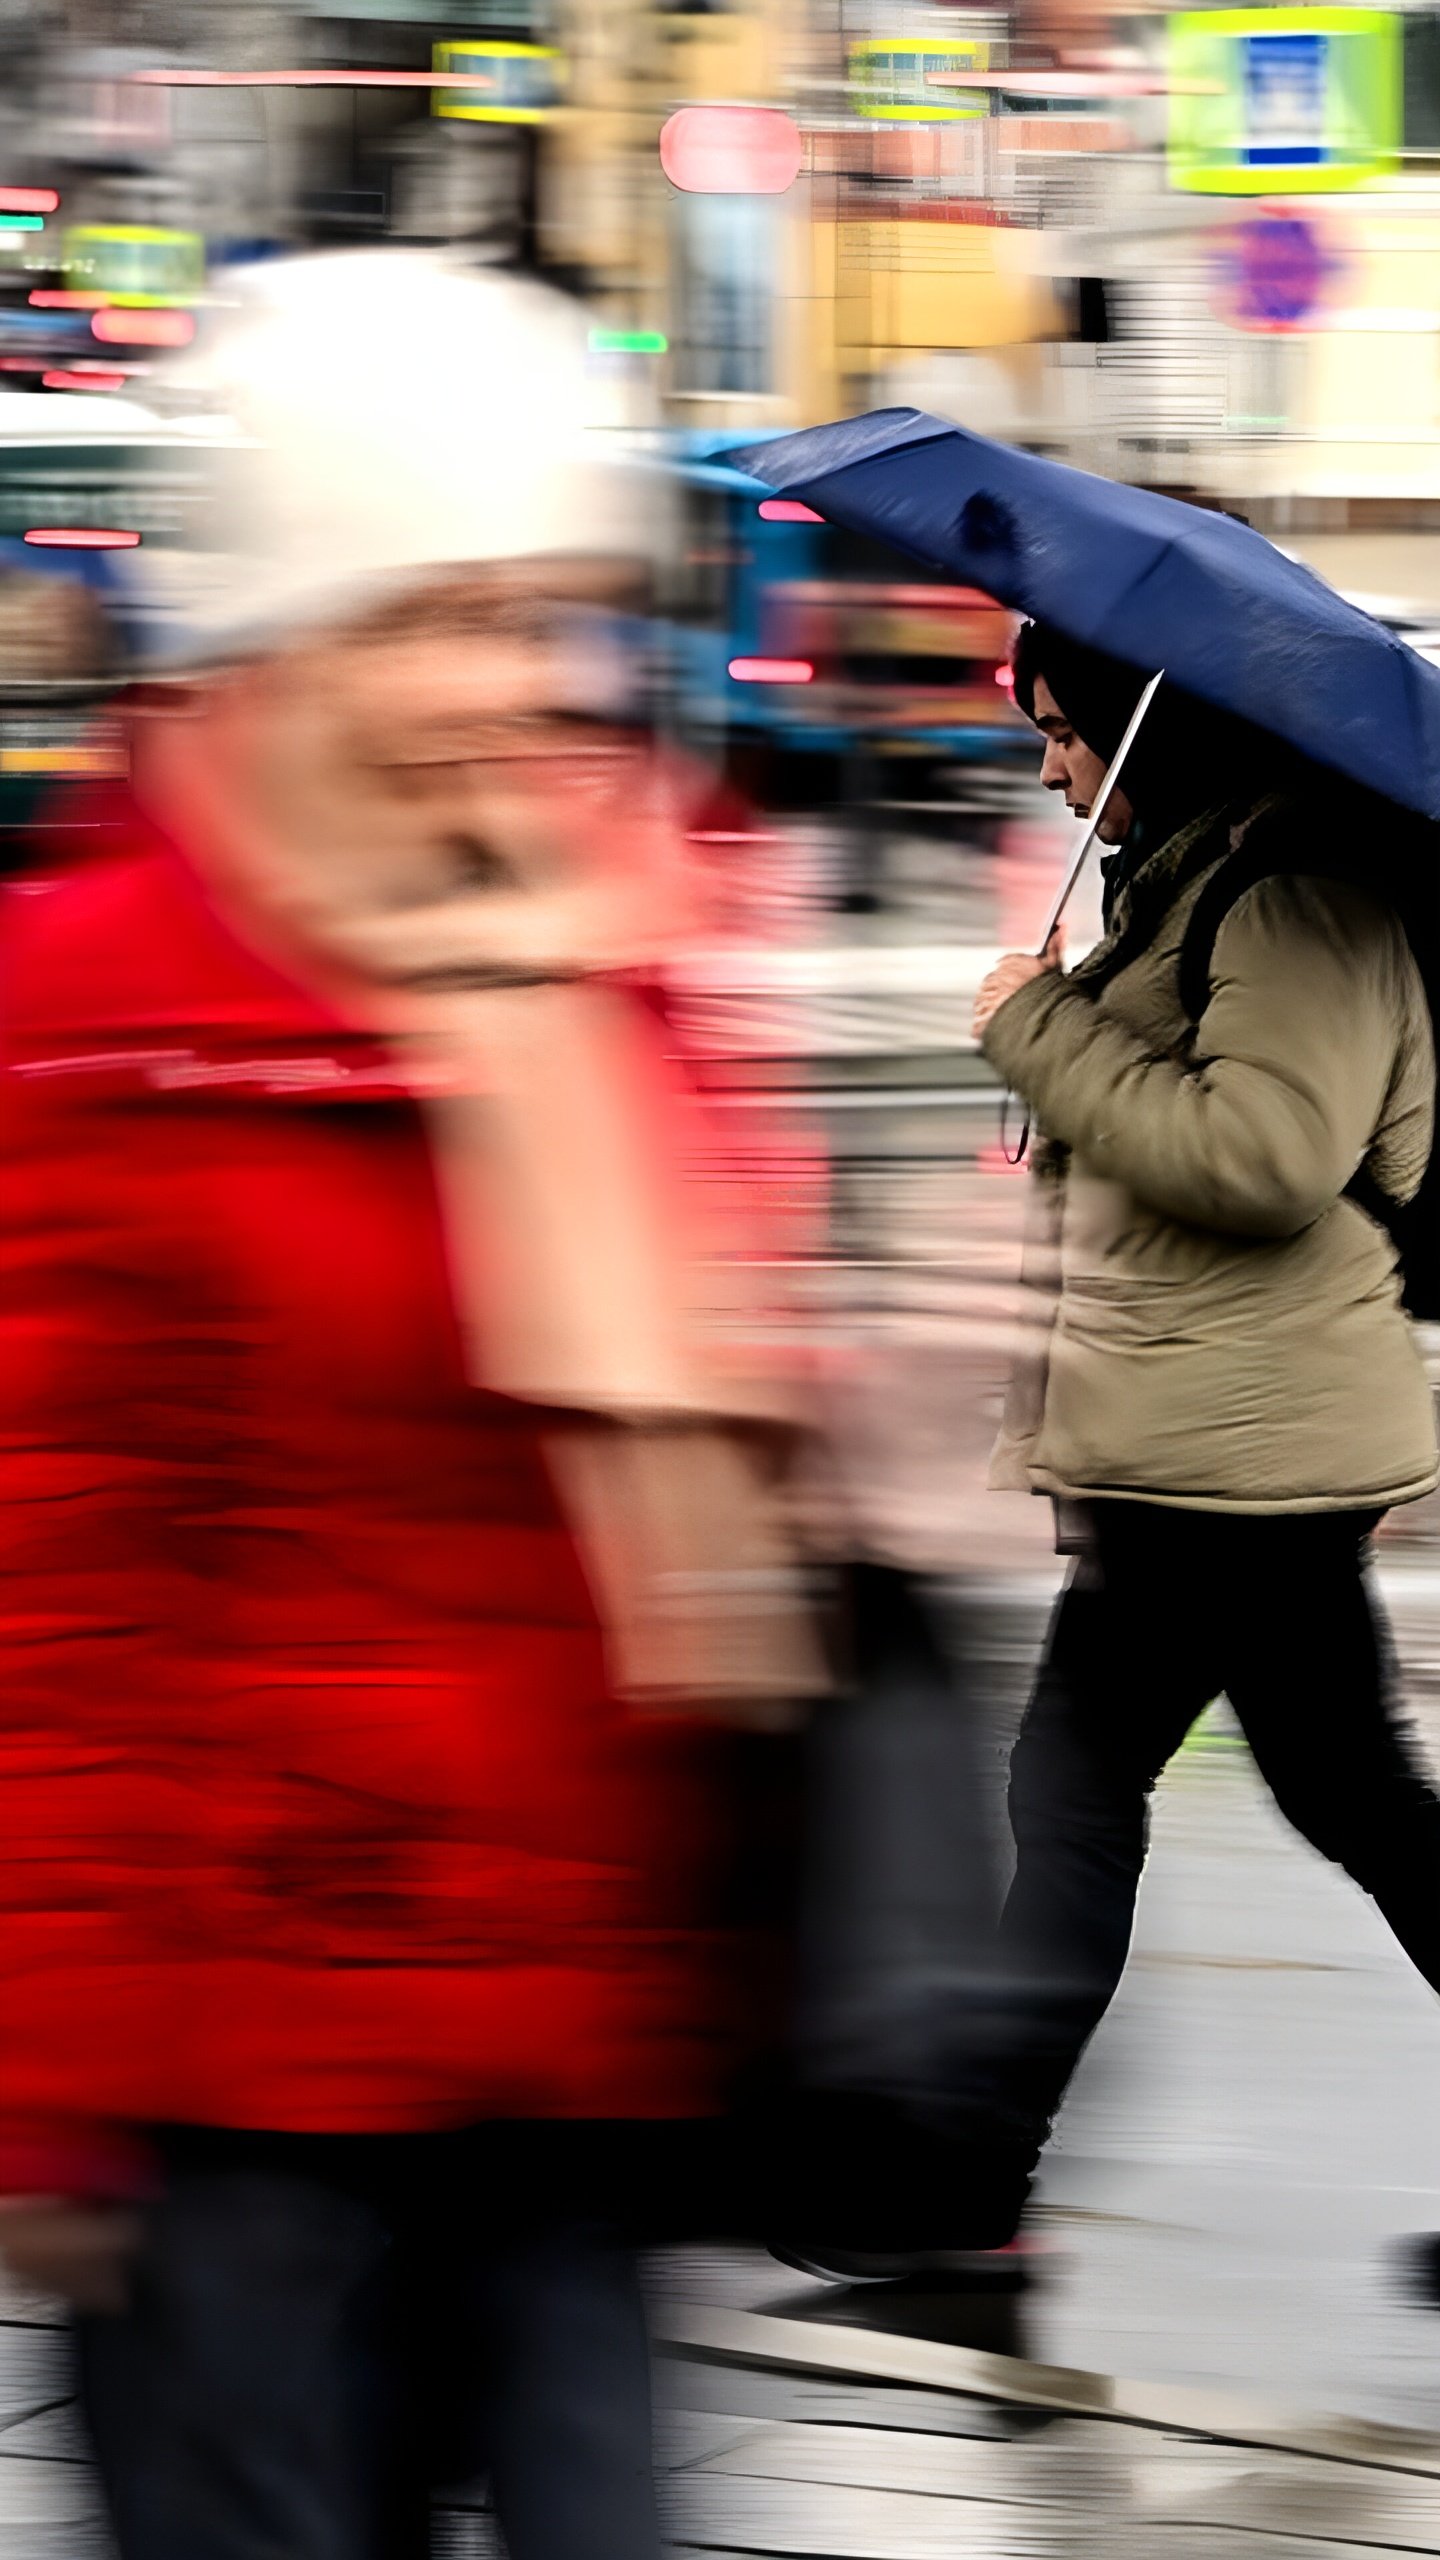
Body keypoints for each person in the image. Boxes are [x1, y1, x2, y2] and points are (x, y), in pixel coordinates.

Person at [0, 251, 822, 2560]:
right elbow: (46, 1578)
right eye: (437, 614)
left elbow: (735, 1435)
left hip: (576, 2055)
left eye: (546, 612)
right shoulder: (91, 1001)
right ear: (284, 633)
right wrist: (45, 2093)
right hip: (240, 2098)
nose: (515, 682)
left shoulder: (627, 930)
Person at [957, 616, 1440, 2240]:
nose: (1052, 767)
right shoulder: (1203, 875)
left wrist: (1035, 1023)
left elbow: (1262, 1158)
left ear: (1142, 728)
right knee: (1338, 1800)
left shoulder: (1294, 896)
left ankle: (963, 2185)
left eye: (1065, 729)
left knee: (1086, 1794)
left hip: (1238, 1451)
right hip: (1211, 1438)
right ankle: (965, 2182)